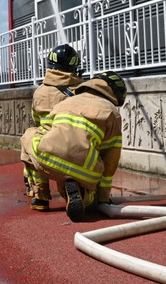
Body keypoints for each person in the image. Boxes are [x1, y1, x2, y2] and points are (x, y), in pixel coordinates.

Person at [20, 71, 126, 222]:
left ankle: (40, 196)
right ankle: (85, 197)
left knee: (29, 135)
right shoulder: (111, 112)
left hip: (49, 160)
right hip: (85, 169)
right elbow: (110, 159)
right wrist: (102, 198)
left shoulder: (64, 103)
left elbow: (44, 129)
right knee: (87, 194)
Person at [25, 44, 84, 211]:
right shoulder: (80, 89)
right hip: (73, 148)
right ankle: (72, 189)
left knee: (30, 142)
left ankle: (40, 196)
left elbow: (36, 119)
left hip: (45, 149)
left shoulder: (39, 92)